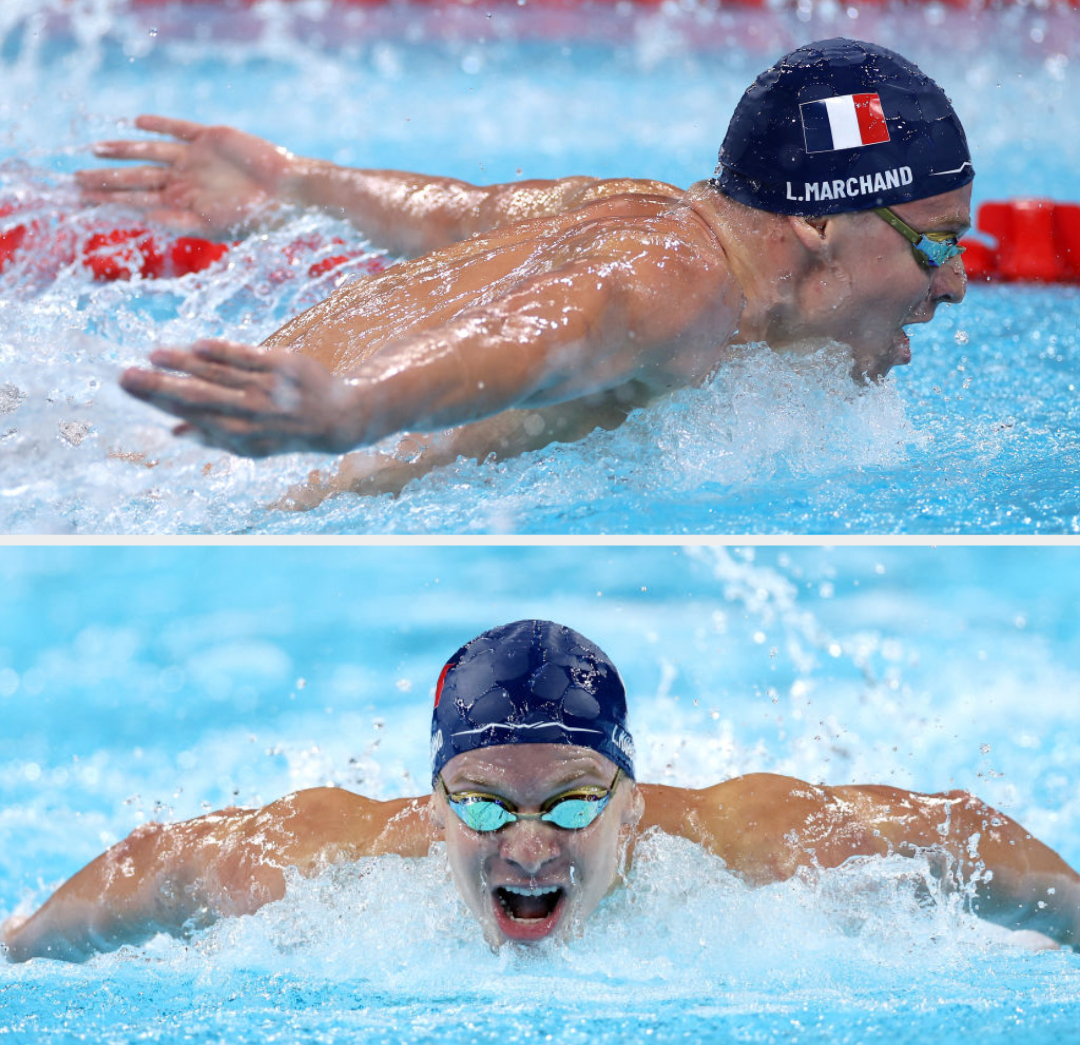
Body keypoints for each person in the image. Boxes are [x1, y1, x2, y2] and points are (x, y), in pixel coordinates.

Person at [78, 38, 973, 506]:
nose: (957, 282)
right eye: (936, 242)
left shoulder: (647, 209)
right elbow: (534, 332)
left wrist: (294, 182)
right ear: (819, 219)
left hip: (147, 450)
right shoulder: (680, 278)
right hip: (238, 470)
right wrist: (352, 410)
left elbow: (463, 211)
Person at [3, 619, 1077, 963]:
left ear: (632, 804)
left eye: (568, 803)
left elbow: (955, 832)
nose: (526, 847)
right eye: (480, 805)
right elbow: (167, 859)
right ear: (431, 809)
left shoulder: (759, 848)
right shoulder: (324, 865)